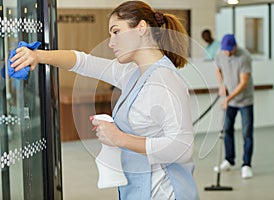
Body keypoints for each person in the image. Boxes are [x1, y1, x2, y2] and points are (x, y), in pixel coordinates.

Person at [10, 1, 199, 199]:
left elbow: (182, 147)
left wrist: (119, 137)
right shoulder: (133, 73)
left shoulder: (165, 80)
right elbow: (84, 62)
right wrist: (38, 56)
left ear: (142, 28)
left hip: (164, 193)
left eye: (116, 32)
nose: (111, 43)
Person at [214, 34, 254, 179]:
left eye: (230, 50)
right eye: (226, 51)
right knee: (227, 130)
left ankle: (246, 165)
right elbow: (218, 69)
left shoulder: (245, 56)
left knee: (246, 133)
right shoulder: (220, 53)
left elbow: (244, 83)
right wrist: (221, 86)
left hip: (245, 100)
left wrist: (228, 98)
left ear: (236, 46)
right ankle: (229, 160)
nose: (228, 53)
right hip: (230, 100)